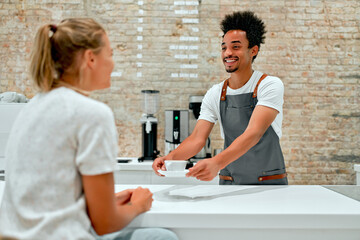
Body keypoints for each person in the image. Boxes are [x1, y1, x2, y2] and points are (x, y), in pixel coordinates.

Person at [0, 18, 178, 240]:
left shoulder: (32, 106)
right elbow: (104, 223)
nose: (113, 63)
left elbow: (48, 199)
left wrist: (108, 202)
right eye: (110, 54)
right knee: (160, 237)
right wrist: (139, 205)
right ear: (90, 58)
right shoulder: (91, 113)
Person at [153, 11, 288, 185]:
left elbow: (253, 133)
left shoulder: (269, 85)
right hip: (229, 184)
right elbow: (197, 139)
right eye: (224, 47)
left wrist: (217, 162)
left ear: (253, 50)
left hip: (269, 185)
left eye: (236, 47)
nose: (227, 53)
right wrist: (169, 158)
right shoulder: (216, 93)